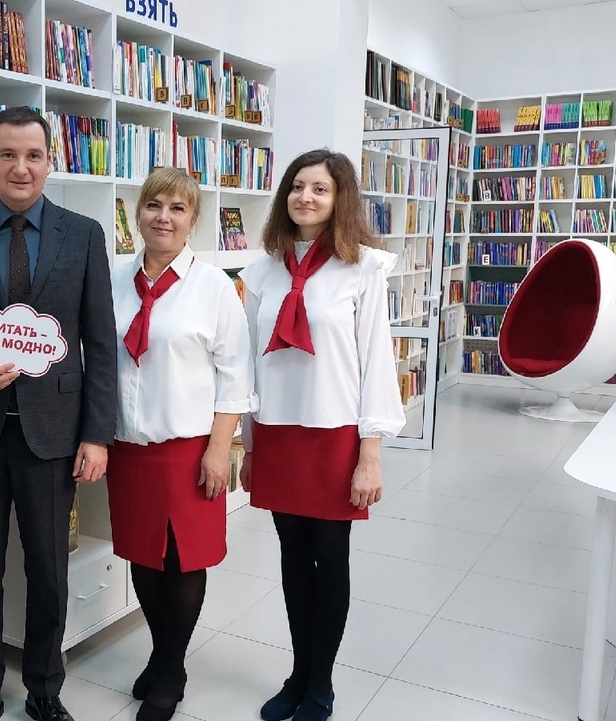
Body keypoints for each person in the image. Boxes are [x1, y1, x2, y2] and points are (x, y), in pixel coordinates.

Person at [0, 106, 117, 721]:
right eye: (7, 154)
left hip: (53, 435)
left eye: (33, 155)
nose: (20, 167)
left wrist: (97, 434)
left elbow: (101, 342)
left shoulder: (83, 235)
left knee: (49, 569)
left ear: (48, 162)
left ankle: (44, 689)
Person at [237, 149, 405, 721]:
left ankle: (321, 684)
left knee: (330, 559)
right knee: (292, 557)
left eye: (320, 189)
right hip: (278, 433)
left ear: (340, 200)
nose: (305, 197)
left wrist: (370, 455)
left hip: (335, 434)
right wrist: (249, 446)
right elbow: (250, 365)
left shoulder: (363, 268)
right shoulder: (262, 271)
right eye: (297, 187)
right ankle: (297, 673)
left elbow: (376, 362)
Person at [106, 168, 253, 721]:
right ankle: (162, 653)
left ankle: (170, 668)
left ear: (193, 220)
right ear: (138, 213)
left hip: (189, 447)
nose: (163, 217)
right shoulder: (114, 280)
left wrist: (220, 448)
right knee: (144, 556)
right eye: (154, 205)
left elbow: (235, 374)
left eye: (177, 208)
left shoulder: (214, 287)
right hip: (129, 446)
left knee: (185, 559)